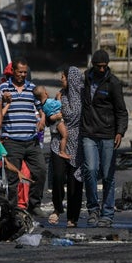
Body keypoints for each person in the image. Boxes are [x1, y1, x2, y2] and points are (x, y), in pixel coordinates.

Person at [81, 49, 128, 228]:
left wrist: (120, 132)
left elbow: (121, 111)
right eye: (98, 66)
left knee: (108, 174)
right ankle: (93, 209)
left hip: (108, 134)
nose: (102, 70)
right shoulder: (85, 80)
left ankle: (107, 213)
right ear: (93, 65)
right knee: (91, 170)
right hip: (88, 133)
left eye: (104, 67)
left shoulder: (113, 83)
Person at [0, 57, 47, 217]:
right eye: (20, 72)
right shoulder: (4, 87)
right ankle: (12, 209)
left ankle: (34, 204)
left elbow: (41, 108)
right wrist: (3, 99)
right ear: (13, 71)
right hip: (12, 141)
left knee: (40, 170)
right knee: (12, 177)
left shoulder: (32, 88)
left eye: (25, 72)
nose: (22, 75)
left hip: (31, 141)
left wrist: (42, 119)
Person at [49, 66, 84, 228]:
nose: (60, 80)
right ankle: (57, 207)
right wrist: (53, 117)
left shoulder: (85, 96)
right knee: (57, 176)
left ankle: (73, 217)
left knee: (74, 180)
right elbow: (51, 115)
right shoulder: (59, 95)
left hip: (77, 142)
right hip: (59, 140)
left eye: (63, 77)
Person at [33, 85, 70, 159]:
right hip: (58, 122)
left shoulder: (43, 105)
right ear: (45, 93)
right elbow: (58, 105)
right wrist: (59, 98)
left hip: (53, 123)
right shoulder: (49, 102)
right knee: (65, 136)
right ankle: (62, 151)